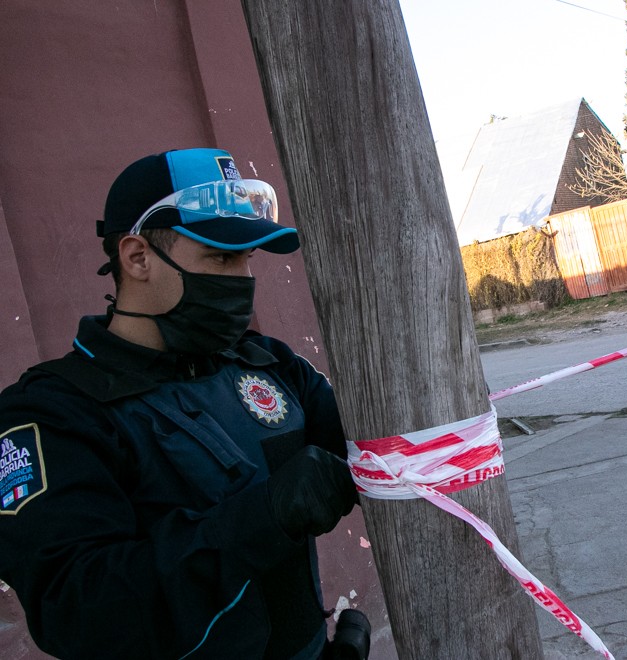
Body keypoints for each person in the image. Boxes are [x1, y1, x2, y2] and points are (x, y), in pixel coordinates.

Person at [0, 149, 361, 659]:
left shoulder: (268, 363)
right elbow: (79, 612)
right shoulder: (52, 413)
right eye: (220, 257)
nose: (241, 280)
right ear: (138, 256)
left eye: (246, 259)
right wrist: (263, 517)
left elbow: (376, 446)